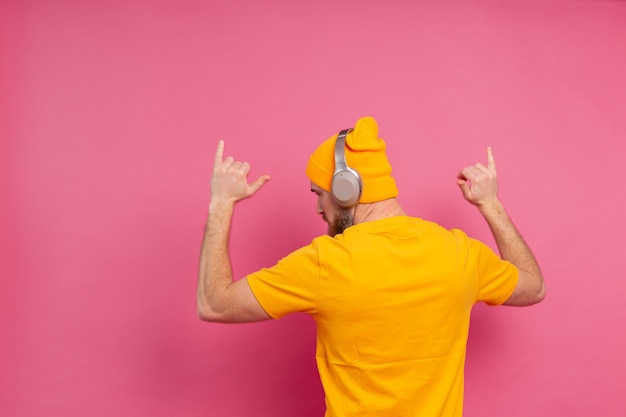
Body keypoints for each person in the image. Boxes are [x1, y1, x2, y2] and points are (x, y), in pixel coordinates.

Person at [197, 116, 545, 417]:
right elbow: (533, 286)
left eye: (319, 193)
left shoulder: (326, 262)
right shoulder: (459, 253)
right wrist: (490, 204)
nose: (319, 209)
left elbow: (214, 304)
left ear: (347, 189)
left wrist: (221, 204)